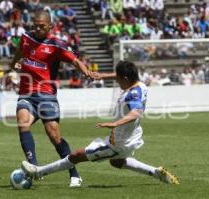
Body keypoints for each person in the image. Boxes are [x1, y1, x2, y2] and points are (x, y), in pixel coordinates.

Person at [21, 61, 179, 186]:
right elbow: (121, 77)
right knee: (117, 162)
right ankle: (156, 172)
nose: (116, 81)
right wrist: (102, 76)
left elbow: (136, 112)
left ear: (125, 79)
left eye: (118, 78)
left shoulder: (132, 94)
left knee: (76, 155)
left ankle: (39, 172)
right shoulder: (140, 84)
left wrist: (115, 123)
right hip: (132, 136)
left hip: (118, 143)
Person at [10, 10, 97, 187]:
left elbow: (74, 61)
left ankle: (74, 174)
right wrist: (13, 63)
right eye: (34, 25)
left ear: (50, 26)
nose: (37, 28)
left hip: (46, 94)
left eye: (41, 26)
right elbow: (20, 52)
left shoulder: (57, 44)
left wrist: (86, 71)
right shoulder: (26, 37)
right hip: (26, 92)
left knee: (54, 136)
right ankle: (33, 167)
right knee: (22, 122)